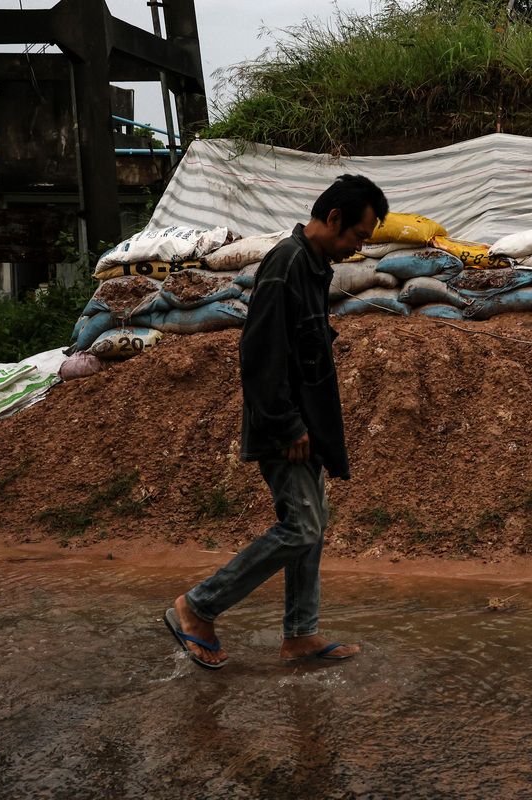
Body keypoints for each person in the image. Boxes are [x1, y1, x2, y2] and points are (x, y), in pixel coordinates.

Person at [163, 174, 388, 669]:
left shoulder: (313, 267)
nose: (357, 247)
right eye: (358, 235)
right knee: (302, 527)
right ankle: (198, 606)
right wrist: (287, 426)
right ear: (333, 218)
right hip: (285, 429)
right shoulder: (286, 264)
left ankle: (300, 634)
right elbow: (259, 351)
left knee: (312, 523)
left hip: (304, 427)